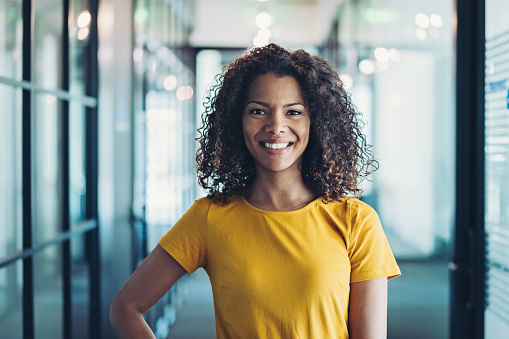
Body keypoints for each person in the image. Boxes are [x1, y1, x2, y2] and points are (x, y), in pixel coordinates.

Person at [110, 43, 400, 339]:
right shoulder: (209, 217)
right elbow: (126, 307)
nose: (276, 126)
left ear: (317, 122)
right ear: (238, 121)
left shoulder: (357, 221)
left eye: (294, 112)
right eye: (258, 111)